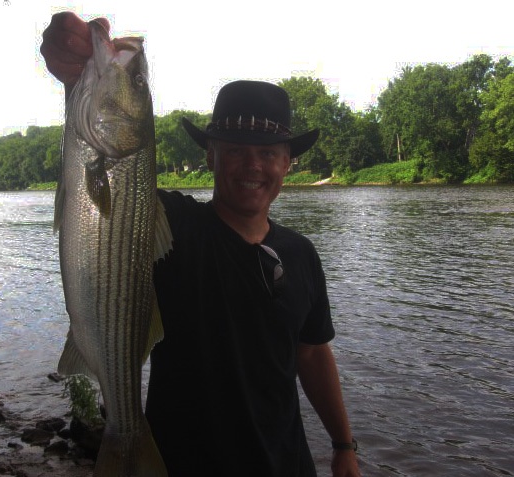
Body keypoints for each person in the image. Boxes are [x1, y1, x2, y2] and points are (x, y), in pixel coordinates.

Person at [41, 12, 361, 477]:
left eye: (268, 152)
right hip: (182, 462)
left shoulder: (302, 253)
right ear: (210, 154)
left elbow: (311, 352)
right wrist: (73, 79)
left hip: (285, 464)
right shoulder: (175, 225)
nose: (251, 165)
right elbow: (99, 190)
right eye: (233, 149)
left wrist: (343, 444)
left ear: (287, 163)